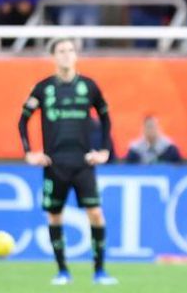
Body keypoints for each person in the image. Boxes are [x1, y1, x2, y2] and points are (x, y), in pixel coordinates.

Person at [17, 38, 117, 285]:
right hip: (55, 164)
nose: (66, 54)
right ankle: (62, 271)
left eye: (70, 50)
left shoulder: (89, 86)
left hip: (83, 163)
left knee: (96, 214)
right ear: (53, 56)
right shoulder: (43, 88)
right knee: (54, 216)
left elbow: (106, 117)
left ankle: (100, 271)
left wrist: (104, 151)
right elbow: (22, 121)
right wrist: (29, 152)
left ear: (76, 55)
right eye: (61, 51)